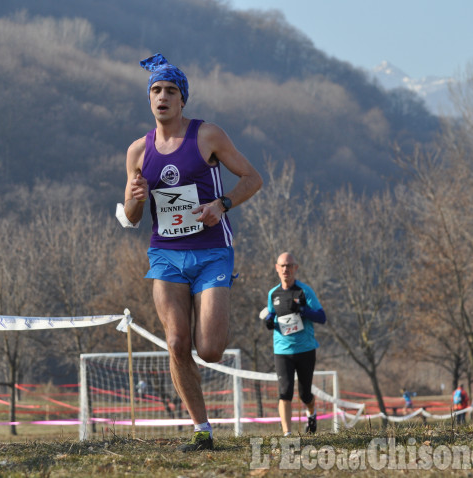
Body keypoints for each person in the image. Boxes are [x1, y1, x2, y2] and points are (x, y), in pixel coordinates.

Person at [120, 53, 262, 452]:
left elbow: (253, 179)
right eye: (156, 91)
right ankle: (202, 430)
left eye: (170, 91)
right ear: (149, 100)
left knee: (210, 349)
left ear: (183, 100)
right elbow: (131, 217)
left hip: (212, 252)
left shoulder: (207, 136)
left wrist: (222, 204)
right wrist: (133, 199)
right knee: (177, 343)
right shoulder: (137, 151)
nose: (162, 97)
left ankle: (203, 415)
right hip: (165, 253)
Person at [263, 252, 326, 436]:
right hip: (282, 350)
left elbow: (322, 317)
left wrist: (303, 310)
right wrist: (268, 320)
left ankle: (312, 414)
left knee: (305, 394)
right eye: (282, 266)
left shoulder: (304, 291)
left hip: (305, 349)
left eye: (289, 266)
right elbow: (271, 314)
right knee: (285, 392)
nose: (286, 269)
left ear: (295, 268)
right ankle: (287, 434)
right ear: (277, 268)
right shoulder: (273, 294)